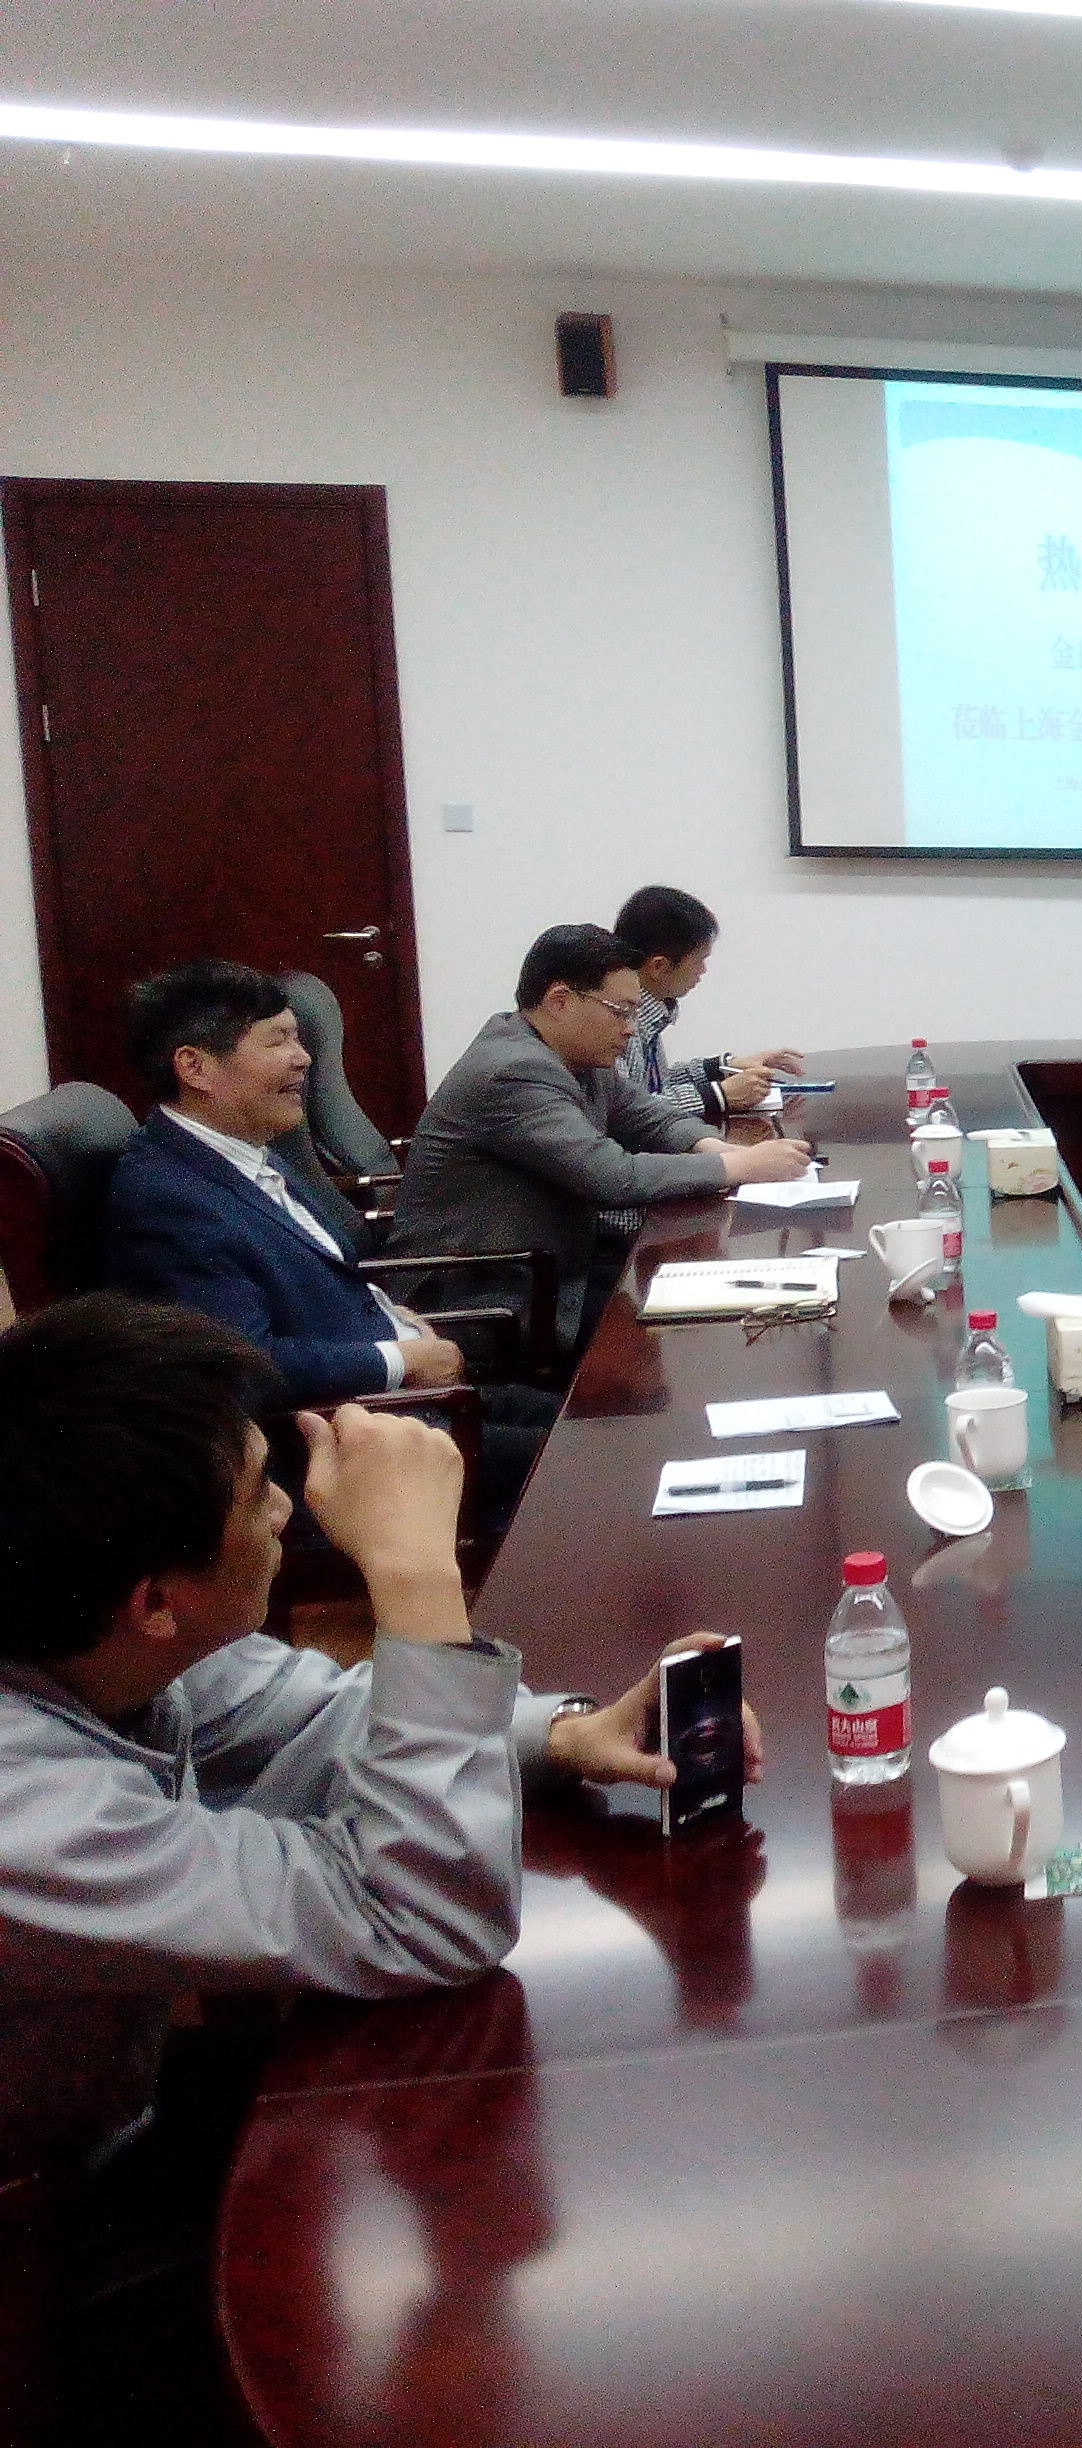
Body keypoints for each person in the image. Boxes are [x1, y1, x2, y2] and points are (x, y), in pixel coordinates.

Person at [0, 1296, 755, 2412]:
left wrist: (559, 1736)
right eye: (256, 1494)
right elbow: (424, 1919)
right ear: (155, 1601)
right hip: (42, 2222)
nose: (285, 1508)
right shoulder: (22, 1813)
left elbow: (320, 1721)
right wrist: (414, 1578)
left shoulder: (90, 1627)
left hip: (120, 2105)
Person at [103, 961, 565, 1528]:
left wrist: (394, 1318)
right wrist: (402, 1358)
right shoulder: (167, 1198)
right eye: (278, 1041)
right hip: (345, 1443)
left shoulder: (245, 1152)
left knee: (594, 1417)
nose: (303, 1058)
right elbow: (244, 1364)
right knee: (588, 1463)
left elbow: (316, 1276)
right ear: (195, 1066)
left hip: (406, 1401)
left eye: (299, 1039)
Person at [389, 924, 812, 1353]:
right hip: (484, 1297)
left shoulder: (571, 1054)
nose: (630, 1029)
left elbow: (648, 1115)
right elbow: (611, 1176)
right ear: (560, 1001)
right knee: (692, 1338)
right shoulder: (514, 1071)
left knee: (708, 1309)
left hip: (554, 1262)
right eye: (621, 1011)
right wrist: (741, 1165)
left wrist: (716, 1147)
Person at [610, 885, 805, 1125]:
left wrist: (724, 1067)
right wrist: (718, 1096)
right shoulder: (617, 1021)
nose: (703, 971)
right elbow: (625, 1112)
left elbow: (655, 1084)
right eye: (699, 960)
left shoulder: (649, 1013)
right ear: (658, 966)